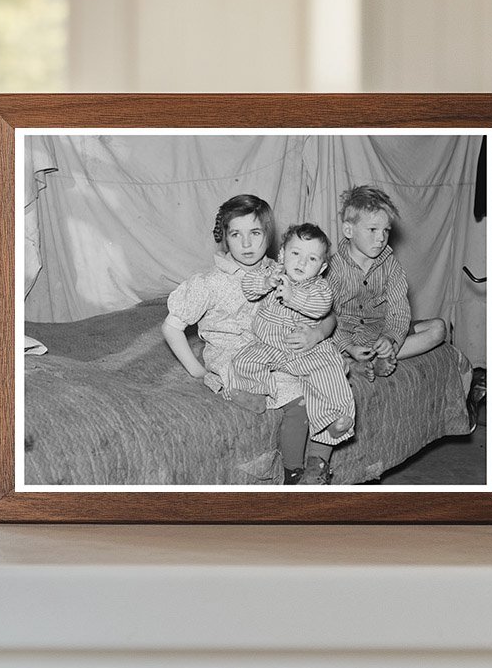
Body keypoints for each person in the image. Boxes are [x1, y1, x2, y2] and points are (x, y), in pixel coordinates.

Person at [161, 197, 336, 479]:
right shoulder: (209, 283)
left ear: (268, 235)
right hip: (235, 356)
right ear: (225, 239)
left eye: (254, 233)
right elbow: (171, 327)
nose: (246, 244)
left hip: (278, 350)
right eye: (235, 234)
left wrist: (317, 333)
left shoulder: (285, 269)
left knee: (326, 386)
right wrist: (197, 369)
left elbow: (326, 313)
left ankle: (316, 466)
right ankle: (294, 472)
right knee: (296, 395)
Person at [229, 223, 355, 485]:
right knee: (243, 360)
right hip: (272, 347)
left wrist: (293, 294)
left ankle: (335, 419)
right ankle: (254, 394)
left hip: (305, 350)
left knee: (330, 372)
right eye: (295, 254)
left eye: (311, 259)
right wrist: (265, 281)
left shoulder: (319, 287)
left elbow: (321, 307)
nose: (301, 262)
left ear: (321, 267)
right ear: (282, 254)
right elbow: (248, 285)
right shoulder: (271, 272)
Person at [328, 185, 445, 385]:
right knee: (321, 346)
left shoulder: (391, 265)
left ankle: (377, 359)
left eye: (386, 230)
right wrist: (348, 346)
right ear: (348, 230)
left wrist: (390, 339)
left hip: (380, 333)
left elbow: (399, 311)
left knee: (438, 329)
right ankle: (353, 361)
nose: (381, 238)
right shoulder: (333, 269)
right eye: (373, 229)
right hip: (347, 340)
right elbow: (329, 318)